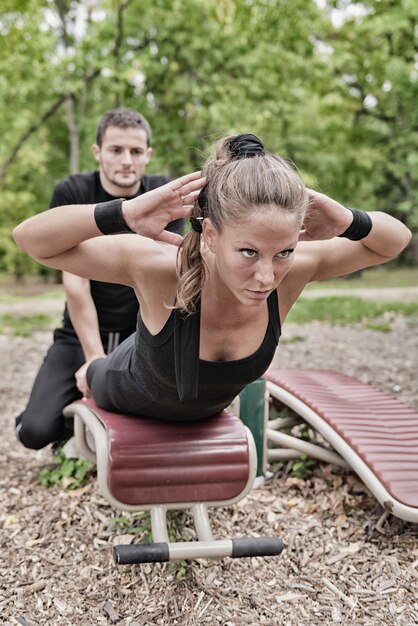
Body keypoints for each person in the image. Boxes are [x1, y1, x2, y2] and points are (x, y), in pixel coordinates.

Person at [13, 133, 412, 424]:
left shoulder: (295, 271)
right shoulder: (159, 268)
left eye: (284, 252)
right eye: (248, 252)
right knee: (87, 381)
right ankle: (89, 372)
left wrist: (348, 220)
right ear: (211, 234)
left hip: (196, 409)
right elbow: (31, 240)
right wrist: (124, 215)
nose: (267, 276)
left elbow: (394, 242)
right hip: (122, 385)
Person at [15, 108, 183, 448]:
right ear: (97, 152)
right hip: (77, 334)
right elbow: (75, 285)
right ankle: (71, 425)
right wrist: (94, 359)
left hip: (139, 331)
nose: (126, 160)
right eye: (116, 150)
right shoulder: (73, 191)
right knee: (34, 432)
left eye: (136, 152)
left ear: (147, 155)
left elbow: (163, 280)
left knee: (161, 419)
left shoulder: (163, 195)